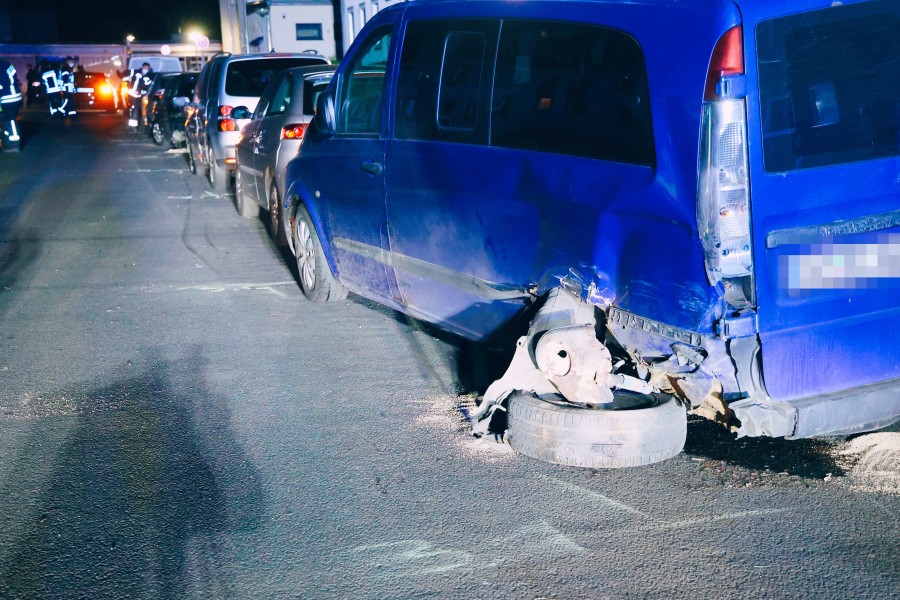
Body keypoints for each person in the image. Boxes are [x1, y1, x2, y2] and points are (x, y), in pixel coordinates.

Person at [0, 58, 23, 151]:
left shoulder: (1, 66)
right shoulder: (7, 65)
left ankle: (13, 145)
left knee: (9, 120)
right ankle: (10, 142)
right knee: (10, 119)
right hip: (15, 96)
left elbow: (1, 84)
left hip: (8, 98)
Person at [127, 62, 153, 127]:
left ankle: (145, 123)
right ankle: (135, 124)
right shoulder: (137, 73)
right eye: (144, 68)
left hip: (145, 95)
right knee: (136, 108)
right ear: (142, 67)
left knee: (146, 109)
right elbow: (131, 82)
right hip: (136, 95)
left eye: (147, 68)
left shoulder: (150, 75)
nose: (145, 69)